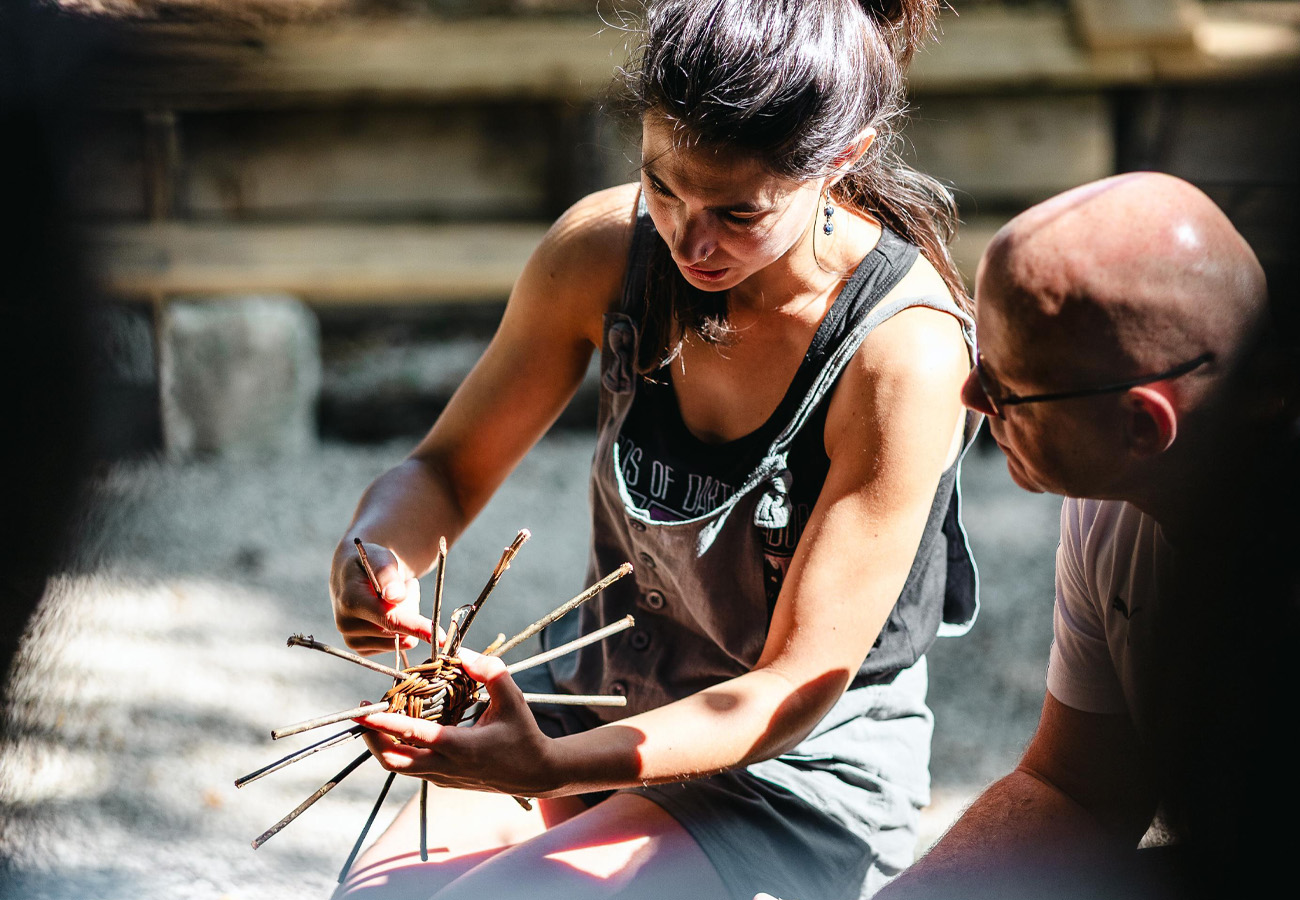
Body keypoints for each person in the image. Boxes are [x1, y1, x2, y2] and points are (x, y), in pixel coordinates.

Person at [329, 2, 981, 898]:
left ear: (843, 160)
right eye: (664, 188)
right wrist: (379, 551)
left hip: (787, 767)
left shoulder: (902, 352)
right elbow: (442, 470)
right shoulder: (605, 249)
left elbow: (789, 687)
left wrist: (547, 772)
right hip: (595, 684)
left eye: (738, 212)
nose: (689, 239)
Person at [877, 171, 1296, 900]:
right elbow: (1077, 787)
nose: (971, 395)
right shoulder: (1118, 500)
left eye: (1006, 387)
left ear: (1142, 423)